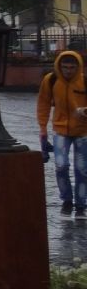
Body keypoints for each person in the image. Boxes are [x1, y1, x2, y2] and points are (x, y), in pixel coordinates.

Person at [38, 50, 87, 214]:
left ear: (78, 67)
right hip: (60, 129)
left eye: (72, 67)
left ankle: (81, 203)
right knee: (61, 165)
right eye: (65, 67)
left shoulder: (84, 81)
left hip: (83, 131)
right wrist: (43, 128)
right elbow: (43, 104)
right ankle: (66, 199)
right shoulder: (51, 80)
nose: (68, 70)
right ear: (59, 66)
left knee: (82, 169)